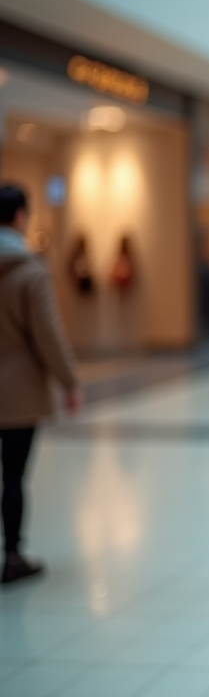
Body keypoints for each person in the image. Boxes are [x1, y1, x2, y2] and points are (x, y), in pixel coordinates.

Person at [0, 183, 82, 585]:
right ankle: (12, 554)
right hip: (17, 394)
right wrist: (70, 381)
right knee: (12, 475)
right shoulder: (30, 271)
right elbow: (48, 334)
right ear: (20, 216)